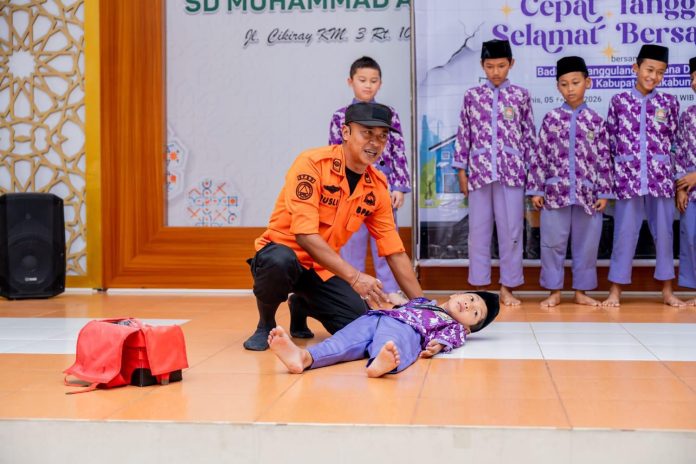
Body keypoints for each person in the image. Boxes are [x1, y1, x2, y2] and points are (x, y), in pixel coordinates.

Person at [244, 102, 424, 351]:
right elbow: (304, 234)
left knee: (358, 322)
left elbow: (394, 250)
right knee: (279, 261)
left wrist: (426, 308)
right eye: (367, 133)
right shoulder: (312, 164)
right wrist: (355, 277)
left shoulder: (377, 186)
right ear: (346, 132)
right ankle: (265, 323)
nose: (375, 143)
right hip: (283, 257)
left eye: (382, 136)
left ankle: (302, 305)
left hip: (321, 267)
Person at [452, 39, 536, 306]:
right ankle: (480, 286)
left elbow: (529, 137)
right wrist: (461, 171)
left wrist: (533, 177)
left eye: (501, 66)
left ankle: (507, 287)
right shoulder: (472, 96)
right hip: (479, 174)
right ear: (482, 65)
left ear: (511, 64)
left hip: (512, 174)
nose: (496, 71)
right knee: (478, 233)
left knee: (511, 231)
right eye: (490, 66)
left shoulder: (521, 96)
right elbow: (464, 134)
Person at [526, 56, 613, 307]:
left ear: (588, 82)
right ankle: (554, 291)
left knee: (587, 245)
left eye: (575, 82)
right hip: (555, 194)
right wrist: (536, 189)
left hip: (588, 195)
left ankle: (581, 291)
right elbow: (540, 155)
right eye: (564, 84)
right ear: (557, 87)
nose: (570, 89)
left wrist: (604, 192)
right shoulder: (551, 118)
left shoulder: (596, 121)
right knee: (552, 243)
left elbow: (604, 158)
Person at [603, 44, 684, 307]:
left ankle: (667, 291)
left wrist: (678, 182)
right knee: (624, 234)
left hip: (661, 179)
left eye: (660, 72)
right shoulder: (619, 101)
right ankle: (615, 290)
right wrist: (610, 180)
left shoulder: (669, 103)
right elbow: (610, 142)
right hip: (628, 179)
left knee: (665, 235)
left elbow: (675, 144)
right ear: (635, 68)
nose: (654, 76)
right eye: (649, 70)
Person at [328, 56, 411, 304]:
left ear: (380, 84)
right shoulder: (340, 116)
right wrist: (336, 188)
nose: (368, 85)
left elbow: (398, 151)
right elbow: (334, 153)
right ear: (350, 81)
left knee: (385, 239)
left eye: (373, 81)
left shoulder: (390, 115)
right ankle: (352, 290)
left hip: (382, 186)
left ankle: (391, 289)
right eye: (362, 80)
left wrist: (399, 187)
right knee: (350, 240)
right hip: (350, 188)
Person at [268, 291, 500, 377]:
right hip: (377, 317)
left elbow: (451, 339)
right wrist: (398, 300)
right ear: (455, 295)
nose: (469, 305)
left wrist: (438, 345)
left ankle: (380, 365)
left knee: (391, 343)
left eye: (475, 312)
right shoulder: (424, 302)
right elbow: (404, 305)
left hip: (408, 329)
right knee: (341, 340)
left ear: (468, 328)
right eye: (471, 298)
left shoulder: (454, 326)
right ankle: (305, 357)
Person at [675, 56, 696, 303]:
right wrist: (680, 187)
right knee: (691, 237)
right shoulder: (688, 115)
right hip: (689, 191)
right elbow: (679, 151)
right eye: (692, 77)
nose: (695, 82)